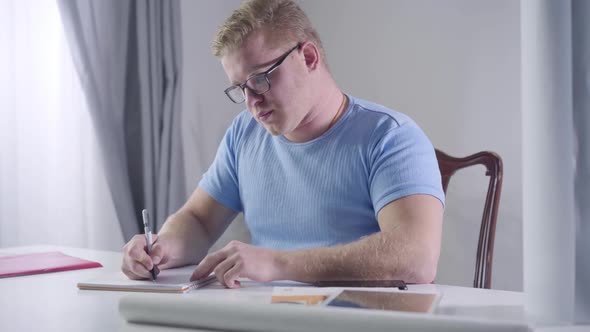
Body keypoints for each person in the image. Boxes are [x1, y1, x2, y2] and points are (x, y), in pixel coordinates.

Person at [122, 0, 444, 288]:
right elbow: (199, 221)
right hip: (264, 314)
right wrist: (160, 248)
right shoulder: (244, 134)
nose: (252, 102)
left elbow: (416, 257)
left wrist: (278, 264)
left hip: (353, 318)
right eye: (240, 89)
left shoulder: (391, 137)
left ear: (308, 57)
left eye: (260, 79)